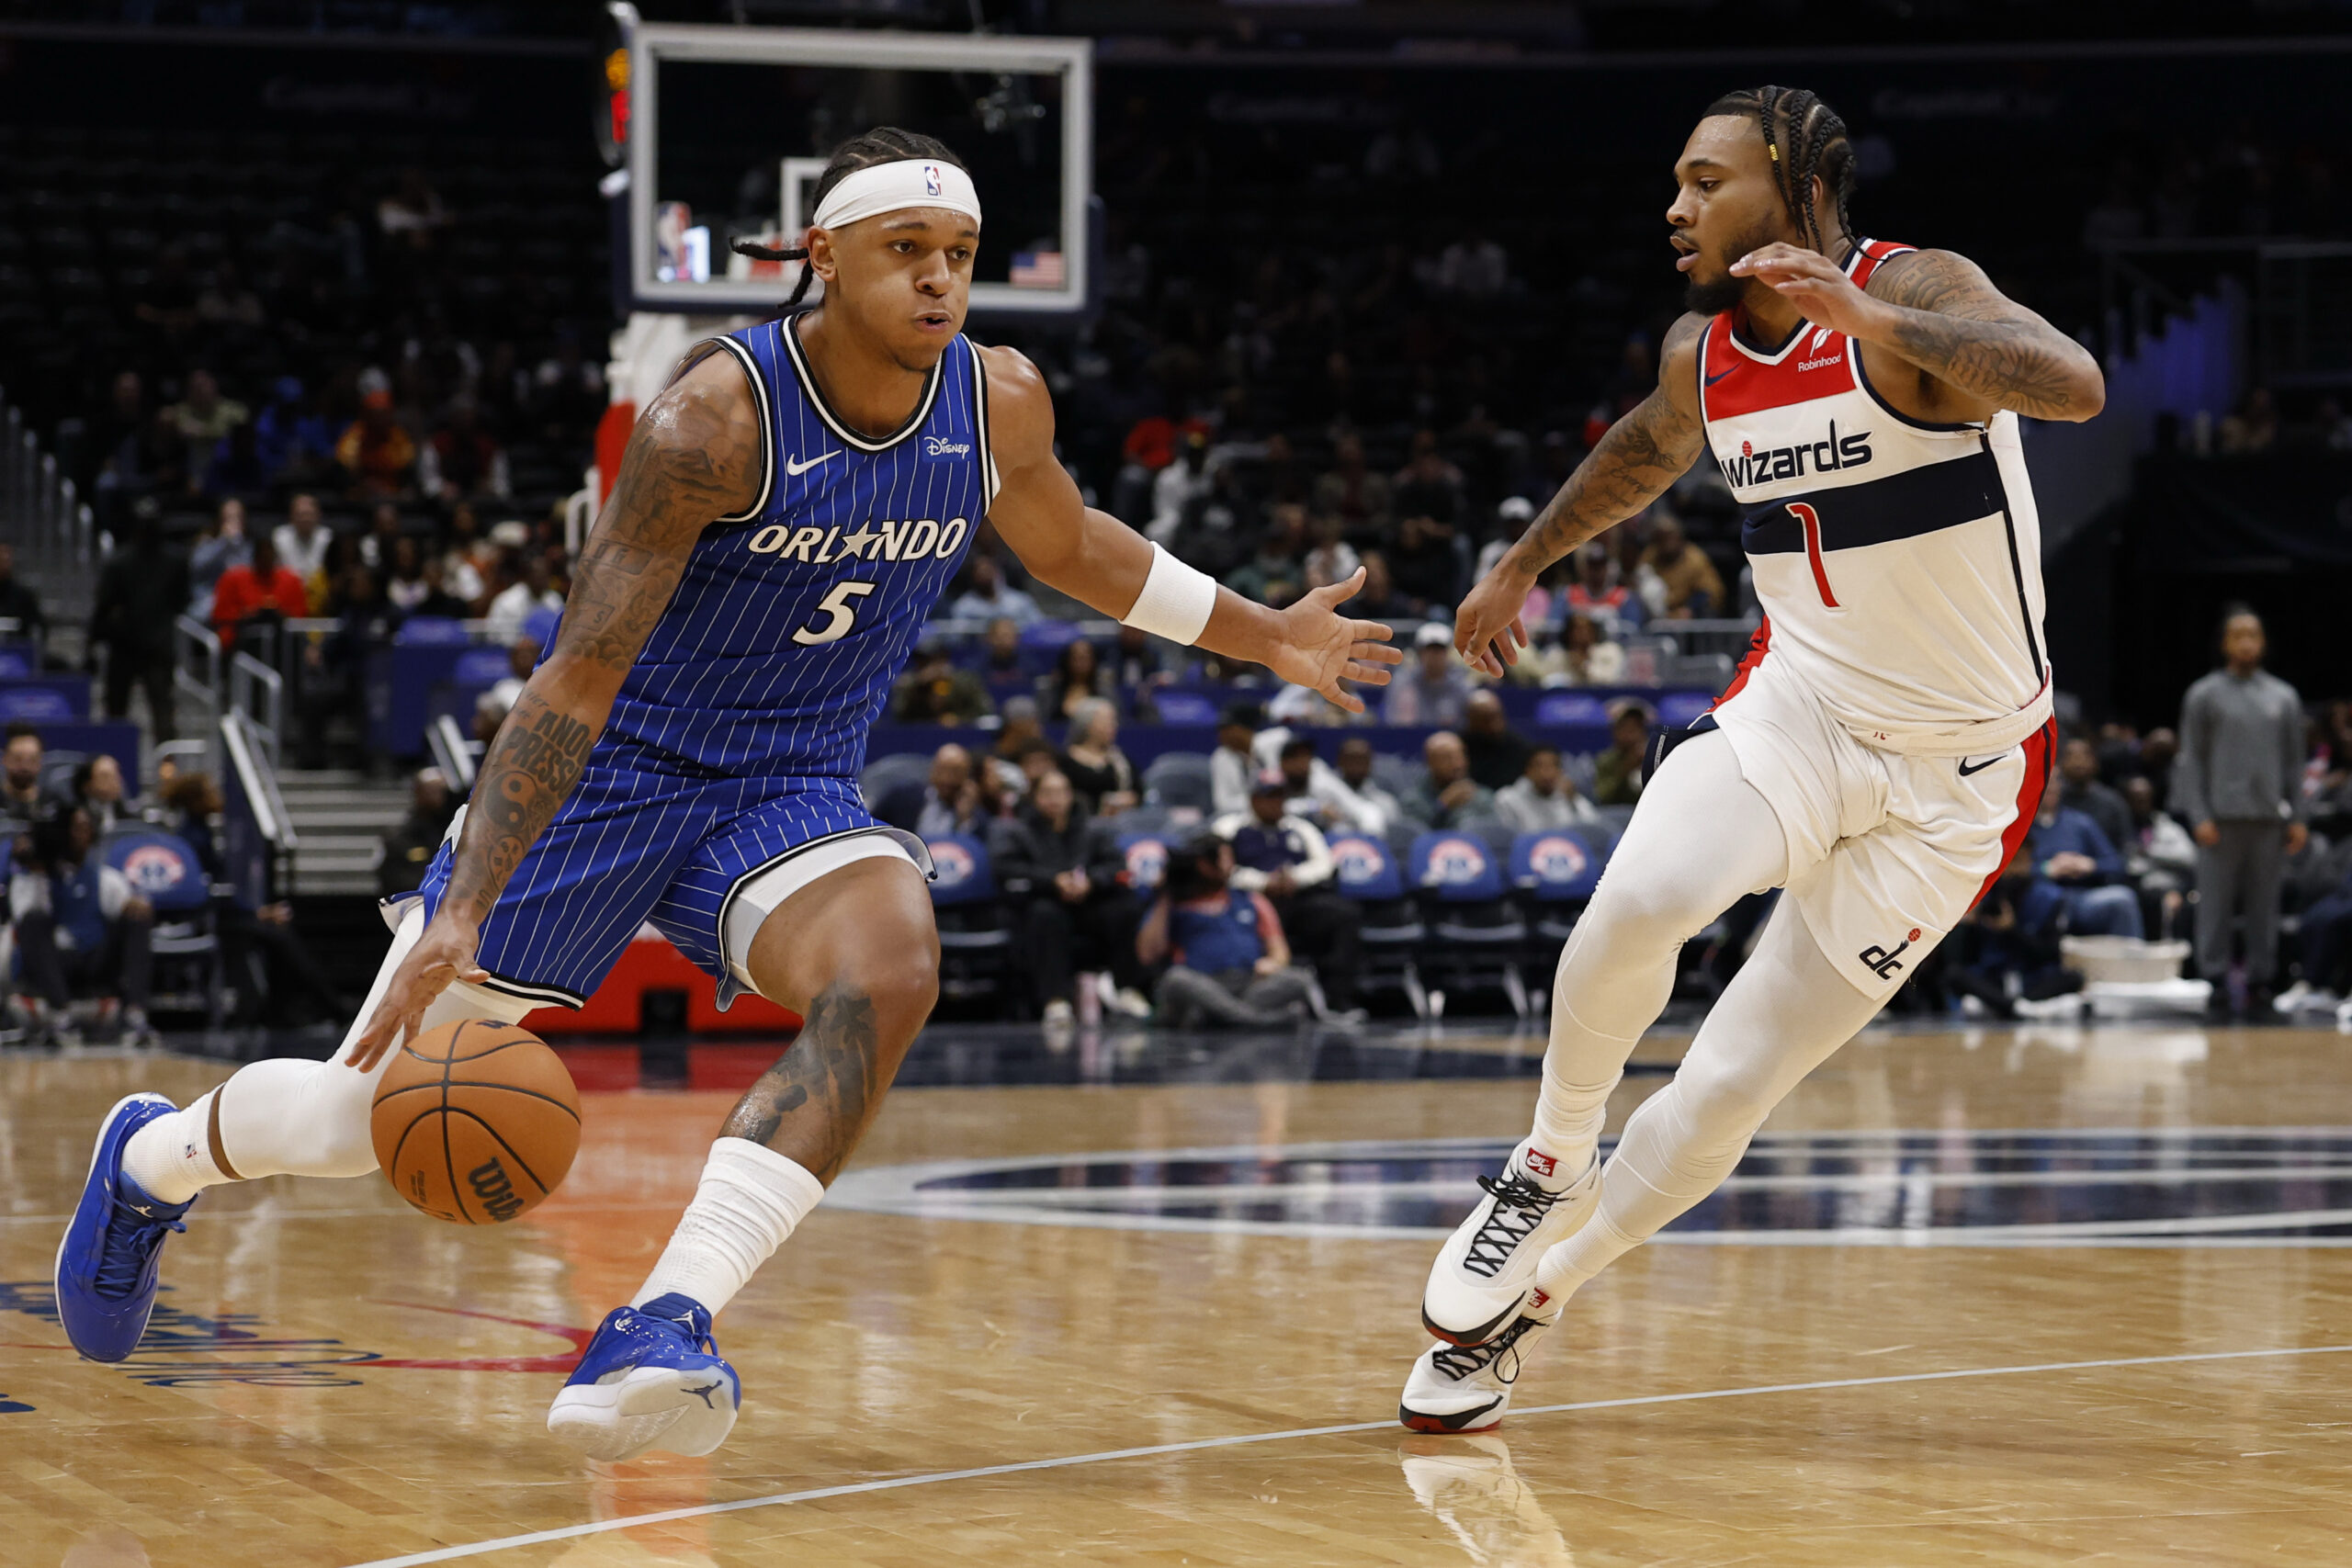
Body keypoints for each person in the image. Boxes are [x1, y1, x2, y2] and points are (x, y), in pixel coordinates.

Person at [62, 129, 1400, 1467]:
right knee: (359, 1125)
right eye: (907, 253)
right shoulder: (713, 420)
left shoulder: (997, 401)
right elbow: (577, 677)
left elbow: (1071, 544)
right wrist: (465, 903)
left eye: (960, 257)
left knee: (890, 964)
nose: (941, 283)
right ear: (823, 255)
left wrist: (1265, 634)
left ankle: (664, 1315)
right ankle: (153, 1159)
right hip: (610, 774)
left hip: (786, 783)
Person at [1406, 85, 2104, 1433]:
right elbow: (1644, 453)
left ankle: (1533, 1305)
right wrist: (1522, 564)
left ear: (1792, 182)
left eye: (1702, 180)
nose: (1675, 207)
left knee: (1728, 1083)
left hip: (1961, 781)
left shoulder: (1915, 292)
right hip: (1802, 708)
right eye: (1674, 184)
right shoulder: (1704, 354)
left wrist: (1873, 320)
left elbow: (2073, 384)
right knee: (1643, 896)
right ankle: (1545, 1159)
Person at [2174, 609, 2306, 1013]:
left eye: (2253, 634)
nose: (2246, 641)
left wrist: (2298, 816)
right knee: (2214, 903)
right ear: (2225, 643)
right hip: (2220, 820)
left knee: (2264, 905)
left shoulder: (2283, 697)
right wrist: (2198, 815)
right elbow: (2191, 760)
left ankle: (2261, 979)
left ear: (2263, 642)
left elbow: (2294, 763)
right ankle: (2213, 978)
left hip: (2268, 820)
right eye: (2238, 635)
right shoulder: (2204, 694)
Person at [1213, 769, 1362, 1011]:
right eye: (1269, 796)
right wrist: (1262, 882)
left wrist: (1294, 877)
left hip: (1297, 899)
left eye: (1280, 796)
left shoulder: (1300, 829)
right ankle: (1239, 996)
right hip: (1249, 900)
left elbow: (1324, 863)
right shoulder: (1230, 828)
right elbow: (1219, 867)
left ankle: (1338, 999)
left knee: (1343, 914)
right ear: (1253, 799)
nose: (1276, 803)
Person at [1137, 831, 1315, 1028]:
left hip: (1248, 984)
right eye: (1225, 859)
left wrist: (1273, 963)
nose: (1231, 866)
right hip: (1202, 984)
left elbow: (1279, 950)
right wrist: (1165, 895)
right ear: (1204, 864)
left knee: (1299, 979)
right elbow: (1148, 955)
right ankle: (1254, 1021)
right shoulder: (1174, 905)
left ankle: (1222, 1018)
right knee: (1176, 979)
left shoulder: (1249, 900)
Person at [12, 806, 157, 1045]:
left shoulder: (104, 878)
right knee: (32, 921)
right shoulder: (32, 879)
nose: (80, 835)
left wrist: (139, 905)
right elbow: (23, 919)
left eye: (85, 828)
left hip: (92, 965)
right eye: (74, 828)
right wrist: (39, 868)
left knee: (137, 918)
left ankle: (135, 1016)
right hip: (53, 967)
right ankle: (61, 1013)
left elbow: (130, 905)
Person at [989, 769, 1117, 1024]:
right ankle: (1055, 1001)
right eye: (1047, 793)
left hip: (1087, 901)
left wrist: (1090, 881)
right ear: (1034, 797)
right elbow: (1006, 868)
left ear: (1071, 796)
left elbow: (1115, 864)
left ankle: (1126, 989)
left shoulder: (1091, 829)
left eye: (1061, 792)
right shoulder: (1018, 831)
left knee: (1122, 907)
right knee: (1044, 913)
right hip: (1041, 903)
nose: (1054, 799)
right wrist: (1053, 881)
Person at [89, 514, 191, 739]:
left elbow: (103, 607)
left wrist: (91, 645)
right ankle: (118, 761)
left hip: (146, 646)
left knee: (160, 708)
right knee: (122, 708)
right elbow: (104, 606)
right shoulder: (121, 562)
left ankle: (164, 767)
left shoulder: (124, 560)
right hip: (132, 645)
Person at [210, 533, 310, 652]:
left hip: (283, 648)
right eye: (262, 551)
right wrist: (251, 614)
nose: (266, 555)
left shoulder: (291, 580)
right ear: (254, 554)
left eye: (269, 551)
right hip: (242, 645)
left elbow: (299, 619)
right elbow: (222, 618)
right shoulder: (233, 578)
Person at [1278, 733, 1389, 837]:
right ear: (1283, 763)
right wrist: (1316, 807)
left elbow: (1361, 809)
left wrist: (1369, 840)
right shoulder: (1273, 782)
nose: (1301, 764)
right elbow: (1277, 809)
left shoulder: (1323, 784)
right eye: (1294, 758)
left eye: (1305, 757)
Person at [379, 768, 457, 898]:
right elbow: (390, 877)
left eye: (441, 791)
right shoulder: (399, 836)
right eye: (431, 791)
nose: (437, 796)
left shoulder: (454, 830)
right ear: (418, 792)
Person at [1385, 621, 1475, 728]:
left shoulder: (1461, 683)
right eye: (1429, 650)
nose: (1434, 656)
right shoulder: (1403, 682)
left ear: (1447, 653)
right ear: (1420, 653)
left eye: (1439, 650)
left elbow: (1468, 722)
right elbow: (1392, 720)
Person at [1057, 696, 1136, 817]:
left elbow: (1138, 791)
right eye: (1107, 721)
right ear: (1087, 724)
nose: (1114, 726)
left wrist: (1129, 799)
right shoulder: (1065, 761)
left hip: (1118, 822)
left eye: (1114, 721)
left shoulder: (1120, 759)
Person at [1494, 746, 1601, 833]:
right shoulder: (1508, 799)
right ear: (1527, 771)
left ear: (1560, 771)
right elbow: (1508, 838)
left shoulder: (1569, 796)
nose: (1546, 773)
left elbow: (1593, 828)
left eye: (1552, 766)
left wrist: (1573, 801)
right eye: (1539, 766)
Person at [1638, 512, 1724, 619]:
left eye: (1671, 537)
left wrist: (1690, 609)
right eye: (1662, 538)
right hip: (1655, 613)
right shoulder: (1649, 556)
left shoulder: (1695, 558)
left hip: (1687, 614)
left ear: (1679, 537)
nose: (1667, 544)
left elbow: (1712, 592)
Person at [2054, 736, 2132, 854]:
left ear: (2095, 762)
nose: (2078, 762)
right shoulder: (2051, 800)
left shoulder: (2113, 802)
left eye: (2084, 756)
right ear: (2061, 764)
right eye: (2071, 756)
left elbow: (2127, 843)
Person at [1405, 731, 1496, 829]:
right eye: (1447, 758)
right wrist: (1442, 806)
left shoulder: (1483, 797)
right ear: (1430, 762)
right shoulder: (1413, 800)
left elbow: (1494, 834)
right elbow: (1416, 837)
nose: (1457, 764)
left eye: (1460, 756)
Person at [891, 636, 991, 725]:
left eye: (938, 660)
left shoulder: (965, 681)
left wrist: (960, 719)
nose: (932, 668)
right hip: (919, 736)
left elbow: (985, 710)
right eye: (925, 662)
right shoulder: (912, 684)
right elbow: (899, 714)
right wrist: (917, 685)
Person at [1461, 690, 1532, 792]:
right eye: (1486, 719)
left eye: (1498, 716)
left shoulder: (1519, 746)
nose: (1495, 725)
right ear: (1472, 720)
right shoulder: (1459, 747)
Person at [0, 723, 65, 832]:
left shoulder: (54, 805)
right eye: (17, 759)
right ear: (5, 759)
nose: (24, 767)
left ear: (40, 762)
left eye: (32, 760)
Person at [914, 743, 986, 839]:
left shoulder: (977, 816)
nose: (947, 779)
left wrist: (964, 817)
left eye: (956, 772)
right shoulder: (904, 798)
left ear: (967, 776)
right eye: (942, 770)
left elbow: (971, 849)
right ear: (932, 770)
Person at [1334, 736, 1402, 834]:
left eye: (1362, 760)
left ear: (1370, 762)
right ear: (1340, 761)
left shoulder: (1386, 803)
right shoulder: (1327, 800)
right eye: (1351, 759)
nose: (1356, 765)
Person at [1591, 699, 1653, 806]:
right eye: (1626, 728)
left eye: (1636, 728)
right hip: (1616, 815)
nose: (1632, 735)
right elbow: (1603, 797)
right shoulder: (1606, 760)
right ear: (1615, 732)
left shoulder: (1656, 756)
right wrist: (1626, 768)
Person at [948, 553, 1040, 625]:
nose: (985, 576)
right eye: (980, 573)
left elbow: (1038, 626)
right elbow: (956, 638)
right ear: (973, 577)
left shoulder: (1020, 601)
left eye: (987, 571)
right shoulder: (965, 606)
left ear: (997, 573)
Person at [1038, 637, 1113, 723]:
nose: (1080, 664)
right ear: (1067, 661)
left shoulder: (1105, 691)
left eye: (1084, 658)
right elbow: (1043, 722)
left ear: (1093, 661)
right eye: (1075, 658)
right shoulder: (1051, 691)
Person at [1210, 703, 1261, 818]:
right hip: (1235, 819)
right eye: (1220, 730)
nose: (1221, 735)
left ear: (1246, 729)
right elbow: (1223, 804)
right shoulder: (1221, 757)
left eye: (1228, 729)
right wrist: (1261, 803)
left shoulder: (1269, 748)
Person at [273, 492, 334, 589]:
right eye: (301, 514)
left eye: (309, 514)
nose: (305, 519)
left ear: (318, 515)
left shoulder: (328, 537)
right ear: (291, 516)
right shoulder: (279, 537)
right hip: (288, 588)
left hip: (320, 589)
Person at [72, 755, 135, 833]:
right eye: (105, 776)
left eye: (116, 775)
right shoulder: (74, 819)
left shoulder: (126, 815)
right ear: (87, 785)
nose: (115, 782)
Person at [0, 543, 47, 649]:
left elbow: (39, 626)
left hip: (16, 654)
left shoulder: (23, 596)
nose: (4, 561)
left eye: (6, 558)